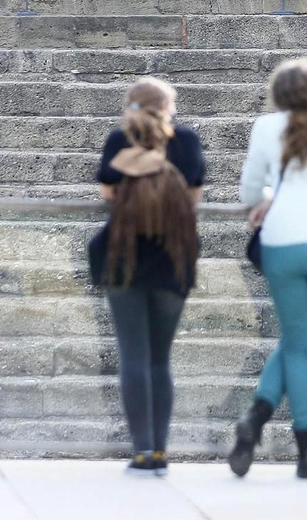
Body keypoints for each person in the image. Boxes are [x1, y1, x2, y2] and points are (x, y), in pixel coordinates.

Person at [228, 57, 307, 480]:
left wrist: (266, 195)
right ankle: (273, 431)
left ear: (276, 94)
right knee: (301, 341)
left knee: (297, 343)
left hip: (283, 239)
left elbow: (249, 190)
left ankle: (278, 434)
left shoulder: (265, 128)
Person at [88, 78, 206, 476]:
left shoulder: (119, 141)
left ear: (131, 107)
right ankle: (160, 450)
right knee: (160, 360)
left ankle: (141, 451)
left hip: (124, 258)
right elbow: (193, 197)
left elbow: (107, 192)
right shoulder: (186, 142)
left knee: (133, 357)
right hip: (172, 258)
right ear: (167, 107)